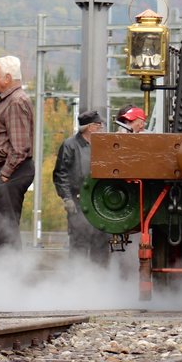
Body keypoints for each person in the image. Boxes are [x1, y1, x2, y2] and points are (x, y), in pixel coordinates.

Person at [0, 55, 34, 254]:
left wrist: (4, 174)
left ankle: (9, 273)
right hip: (8, 171)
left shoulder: (15, 102)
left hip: (12, 170)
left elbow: (20, 147)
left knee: (4, 227)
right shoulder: (11, 100)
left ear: (7, 77)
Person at [53, 109, 110, 263]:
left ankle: (100, 278)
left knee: (101, 242)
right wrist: (66, 198)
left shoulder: (103, 145)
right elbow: (60, 174)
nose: (102, 127)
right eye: (99, 125)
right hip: (78, 201)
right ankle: (77, 278)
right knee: (79, 242)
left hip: (100, 203)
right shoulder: (69, 145)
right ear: (91, 127)